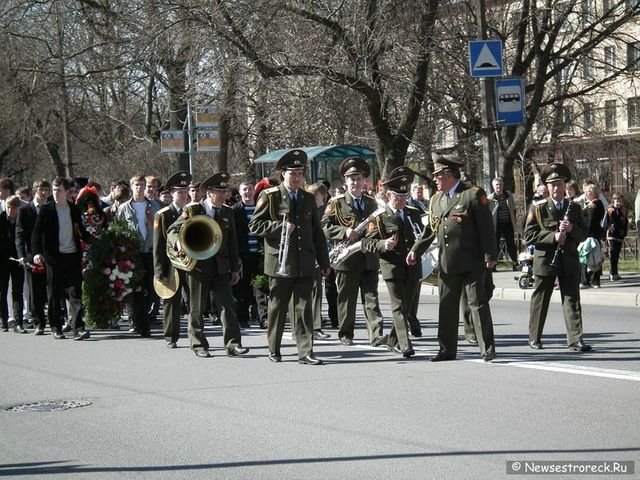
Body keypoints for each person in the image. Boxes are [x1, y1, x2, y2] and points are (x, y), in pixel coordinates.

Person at [408, 155, 497, 362]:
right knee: (446, 307)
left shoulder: (472, 195)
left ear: (448, 175)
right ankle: (446, 349)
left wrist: (490, 256)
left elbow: (486, 229)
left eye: (438, 175)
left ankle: (487, 348)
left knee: (477, 305)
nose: (435, 179)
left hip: (472, 261)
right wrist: (415, 250)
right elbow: (430, 229)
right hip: (447, 264)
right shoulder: (436, 199)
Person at [249, 149, 331, 365]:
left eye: (300, 174)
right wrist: (280, 227)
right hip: (280, 262)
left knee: (304, 309)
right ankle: (274, 348)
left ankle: (305, 351)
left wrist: (324, 262)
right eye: (292, 174)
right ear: (282, 174)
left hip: (304, 262)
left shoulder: (307, 198)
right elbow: (255, 224)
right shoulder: (271, 196)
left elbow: (316, 233)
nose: (297, 178)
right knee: (277, 308)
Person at [524, 163, 591, 352]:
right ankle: (534, 338)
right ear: (547, 187)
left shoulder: (574, 207)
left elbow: (584, 234)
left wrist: (571, 229)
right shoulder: (539, 207)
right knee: (540, 300)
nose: (556, 188)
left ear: (564, 186)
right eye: (552, 184)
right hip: (546, 260)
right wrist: (552, 236)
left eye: (559, 184)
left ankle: (576, 339)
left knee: (572, 300)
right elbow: (528, 236)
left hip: (568, 259)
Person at [322, 157, 386, 347]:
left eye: (359, 179)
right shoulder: (336, 203)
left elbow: (381, 227)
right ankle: (346, 333)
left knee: (371, 298)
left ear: (364, 181)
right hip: (346, 259)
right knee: (346, 300)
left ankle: (376, 335)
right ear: (346, 182)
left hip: (369, 258)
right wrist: (344, 232)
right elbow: (324, 226)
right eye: (352, 179)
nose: (356, 183)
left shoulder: (372, 203)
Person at [362, 166, 425, 358]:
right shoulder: (379, 217)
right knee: (398, 306)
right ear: (389, 195)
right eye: (398, 197)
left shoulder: (413, 213)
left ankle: (392, 339)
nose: (401, 201)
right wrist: (383, 244)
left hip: (413, 267)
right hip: (392, 267)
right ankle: (405, 345)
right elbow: (367, 242)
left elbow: (421, 236)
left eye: (404, 197)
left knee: (406, 307)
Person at [194, 172, 248, 357]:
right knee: (197, 307)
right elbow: (176, 230)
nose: (224, 195)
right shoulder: (194, 209)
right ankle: (199, 344)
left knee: (227, 306)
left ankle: (233, 343)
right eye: (220, 191)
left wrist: (234, 268)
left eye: (225, 191)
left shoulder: (227, 211)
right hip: (198, 266)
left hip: (221, 266)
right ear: (209, 192)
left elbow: (233, 242)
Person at [31, 177, 91, 340]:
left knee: (75, 292)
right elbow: (36, 233)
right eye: (54, 190)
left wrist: (96, 241)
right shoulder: (46, 209)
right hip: (54, 258)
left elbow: (81, 232)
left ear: (67, 192)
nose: (55, 193)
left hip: (72, 255)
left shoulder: (73, 209)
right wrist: (37, 253)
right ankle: (56, 327)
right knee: (55, 293)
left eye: (59, 190)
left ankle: (78, 327)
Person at [117, 175, 161, 336]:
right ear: (131, 187)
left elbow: (160, 230)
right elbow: (118, 231)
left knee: (150, 290)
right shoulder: (124, 208)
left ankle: (142, 319)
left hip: (150, 252)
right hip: (133, 253)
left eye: (142, 185)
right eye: (136, 185)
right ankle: (140, 325)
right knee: (136, 290)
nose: (140, 188)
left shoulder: (155, 206)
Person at [153, 171, 191, 350]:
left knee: (194, 301)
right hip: (171, 264)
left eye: (185, 192)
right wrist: (159, 271)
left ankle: (195, 336)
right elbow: (158, 245)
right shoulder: (163, 214)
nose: (183, 195)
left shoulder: (193, 211)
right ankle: (170, 336)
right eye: (179, 192)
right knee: (171, 301)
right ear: (171, 194)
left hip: (191, 263)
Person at [15, 180, 50, 335]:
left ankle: (58, 320)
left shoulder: (51, 208)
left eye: (46, 189)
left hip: (51, 254)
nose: (44, 192)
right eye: (41, 189)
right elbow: (20, 235)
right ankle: (39, 322)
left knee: (53, 289)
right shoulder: (25, 210)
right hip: (31, 256)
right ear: (35, 190)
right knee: (35, 292)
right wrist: (21, 255)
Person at [302, 182, 331, 340]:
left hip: (320, 254)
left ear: (323, 196)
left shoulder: (326, 210)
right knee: (310, 291)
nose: (312, 199)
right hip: (308, 254)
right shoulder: (308, 210)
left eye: (315, 196)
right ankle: (309, 326)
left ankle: (316, 325)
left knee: (317, 291)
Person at [232, 180, 261, 328]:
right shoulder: (235, 210)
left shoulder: (261, 208)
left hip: (259, 253)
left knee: (261, 286)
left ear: (254, 191)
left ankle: (263, 317)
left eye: (250, 189)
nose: (247, 192)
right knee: (242, 287)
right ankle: (243, 317)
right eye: (244, 190)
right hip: (243, 254)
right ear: (239, 192)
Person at [0, 196, 26, 333]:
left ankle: (18, 322)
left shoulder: (21, 221)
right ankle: (4, 320)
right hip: (2, 261)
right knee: (2, 292)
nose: (11, 210)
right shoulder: (1, 220)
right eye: (9, 207)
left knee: (18, 292)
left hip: (17, 260)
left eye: (14, 208)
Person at [488, 177, 519, 271]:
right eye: (497, 185)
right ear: (493, 187)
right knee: (495, 245)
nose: (499, 187)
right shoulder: (490, 198)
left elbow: (513, 209)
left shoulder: (508, 195)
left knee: (511, 244)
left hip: (508, 223)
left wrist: (514, 222)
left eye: (500, 184)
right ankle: (493, 265)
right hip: (496, 225)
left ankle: (515, 263)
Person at [579, 183, 605, 288]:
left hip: (591, 235)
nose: (586, 194)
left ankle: (588, 281)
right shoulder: (589, 204)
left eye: (588, 192)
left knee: (589, 258)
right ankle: (592, 281)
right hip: (592, 234)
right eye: (585, 192)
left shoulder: (596, 204)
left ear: (594, 193)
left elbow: (591, 220)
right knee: (590, 258)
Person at [605, 193, 628, 281]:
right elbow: (605, 223)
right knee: (612, 254)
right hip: (611, 235)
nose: (618, 203)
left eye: (620, 201)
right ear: (613, 201)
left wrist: (624, 233)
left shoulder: (624, 211)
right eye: (617, 201)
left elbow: (625, 223)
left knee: (617, 255)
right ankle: (612, 273)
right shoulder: (610, 210)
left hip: (620, 235)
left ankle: (615, 272)